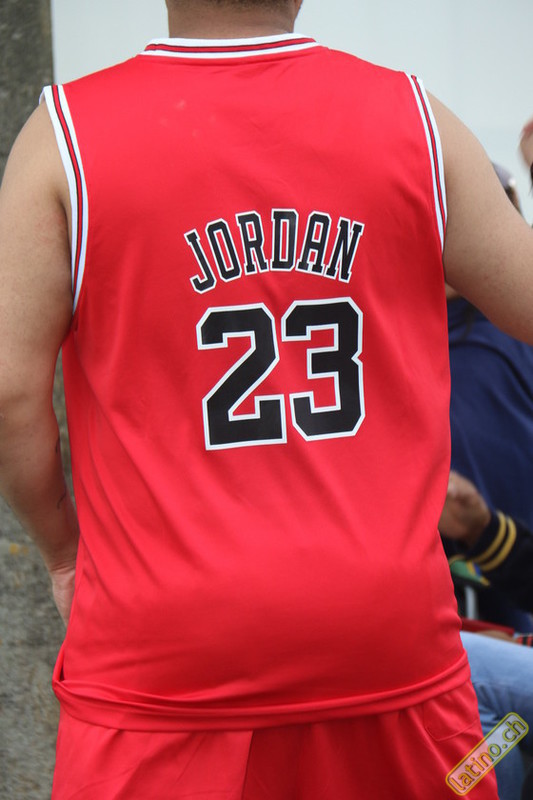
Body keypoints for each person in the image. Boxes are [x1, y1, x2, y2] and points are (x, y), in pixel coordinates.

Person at [2, 1, 533, 797]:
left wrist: (64, 554)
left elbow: (10, 395)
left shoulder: (64, 134)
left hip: (162, 654)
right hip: (384, 638)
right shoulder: (415, 117)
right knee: (498, 745)